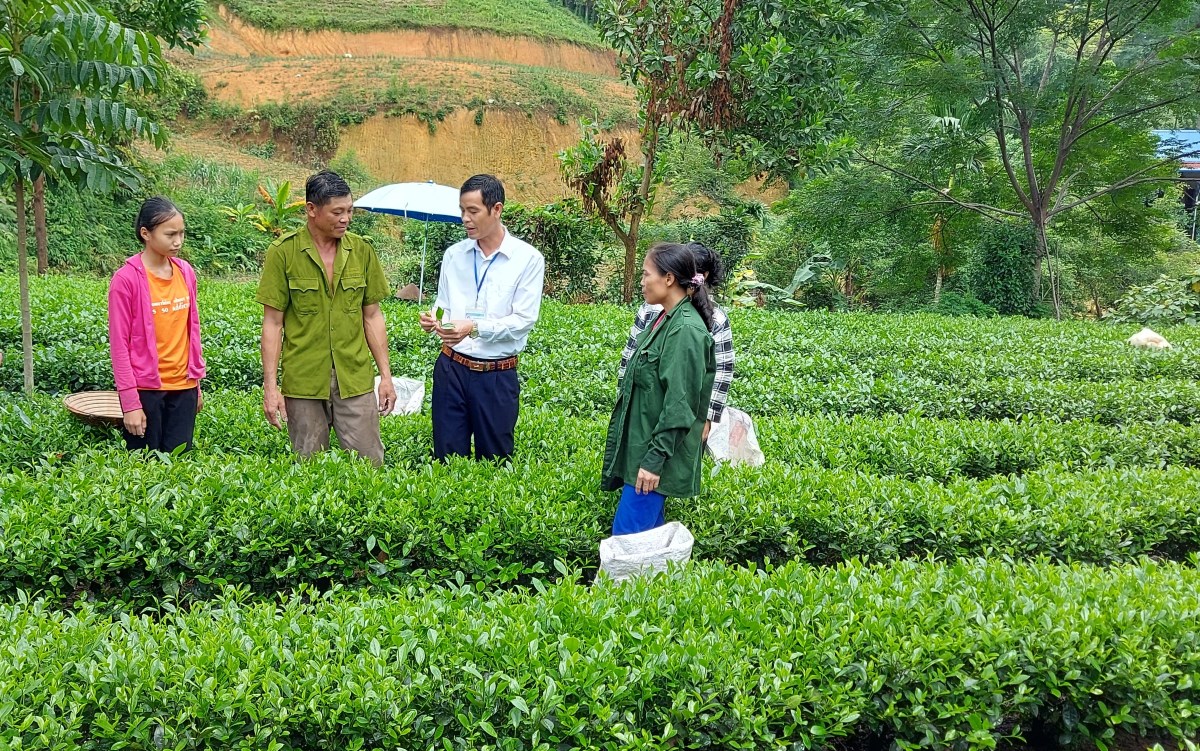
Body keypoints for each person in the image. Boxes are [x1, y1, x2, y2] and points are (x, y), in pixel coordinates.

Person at [256, 170, 396, 466]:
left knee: (369, 465)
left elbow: (372, 316)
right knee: (308, 467)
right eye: (337, 212)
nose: (346, 219)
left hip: (354, 377)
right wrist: (271, 387)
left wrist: (386, 377)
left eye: (349, 211)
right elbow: (273, 323)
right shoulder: (283, 253)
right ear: (311, 209)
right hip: (303, 381)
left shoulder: (362, 251)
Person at [419, 174, 545, 461]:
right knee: (447, 459)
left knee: (495, 460)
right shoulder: (454, 255)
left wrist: (473, 327)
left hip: (496, 375)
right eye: (462, 210)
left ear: (496, 209)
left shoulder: (527, 259)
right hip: (451, 368)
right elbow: (443, 304)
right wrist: (434, 319)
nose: (465, 218)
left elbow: (523, 320)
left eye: (473, 211)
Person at [602, 243, 716, 535]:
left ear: (668, 279)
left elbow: (680, 406)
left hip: (653, 461)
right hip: (642, 452)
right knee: (647, 546)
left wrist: (653, 462)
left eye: (645, 274)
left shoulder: (685, 330)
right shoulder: (664, 318)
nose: (641, 281)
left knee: (626, 543)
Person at [108, 197, 206, 453]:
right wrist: (130, 403)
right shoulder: (125, 280)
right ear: (146, 233)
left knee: (179, 465)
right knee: (144, 467)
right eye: (170, 234)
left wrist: (196, 386)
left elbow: (191, 333)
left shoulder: (186, 272)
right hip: (145, 392)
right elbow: (119, 346)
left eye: (182, 233)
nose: (178, 241)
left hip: (184, 388)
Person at [618, 241, 733, 441]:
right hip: (646, 411)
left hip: (679, 421)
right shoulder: (652, 309)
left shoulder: (703, 322)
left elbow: (721, 369)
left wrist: (708, 417)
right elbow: (631, 355)